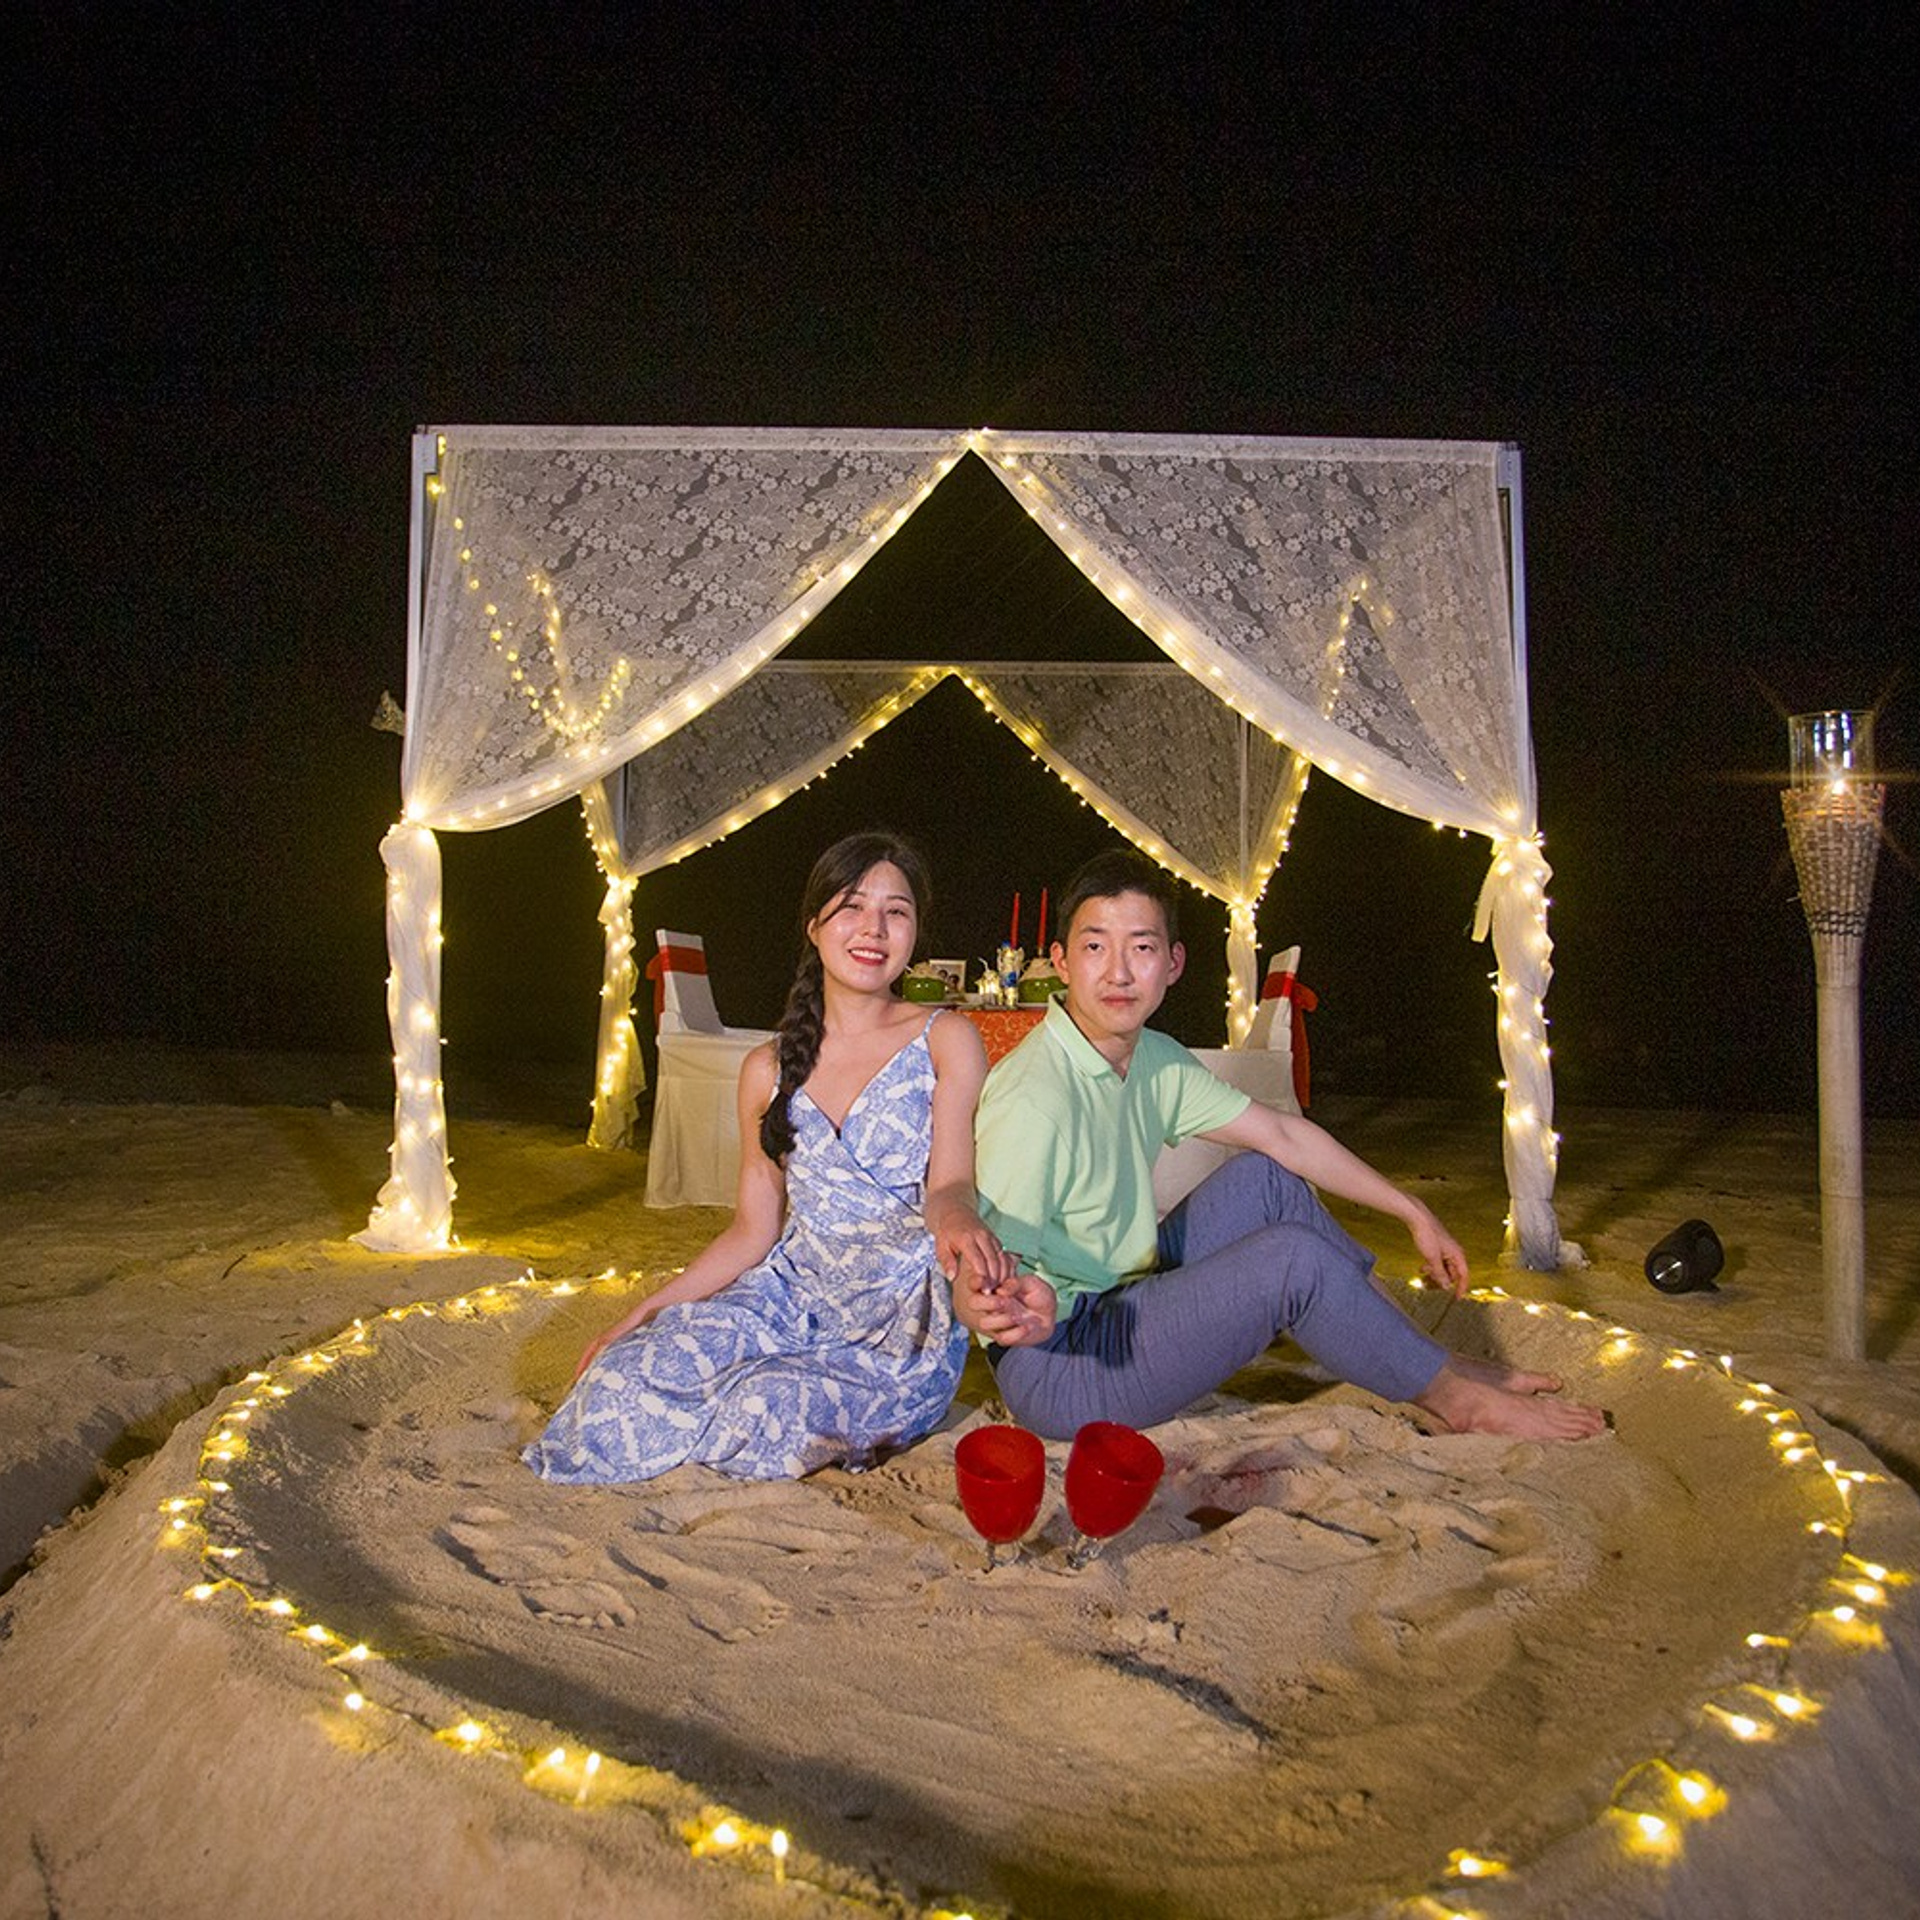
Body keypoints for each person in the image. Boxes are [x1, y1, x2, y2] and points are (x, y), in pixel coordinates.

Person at [959, 849, 1606, 1443]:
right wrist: (1003, 1299)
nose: (1119, 972)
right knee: (1292, 1261)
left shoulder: (1152, 1057)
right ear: (1061, 961)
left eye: (1142, 947)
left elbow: (1284, 1135)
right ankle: (1457, 1401)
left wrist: (1412, 1210)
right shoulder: (1033, 1094)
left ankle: (1428, 1362)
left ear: (1174, 963)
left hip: (1126, 1291)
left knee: (1267, 1180)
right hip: (1064, 1363)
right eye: (1096, 946)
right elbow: (985, 1271)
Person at [524, 832, 1052, 1484]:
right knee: (621, 1378)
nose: (874, 928)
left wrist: (959, 1223)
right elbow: (752, 1231)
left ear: (915, 932)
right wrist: (646, 1312)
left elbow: (949, 1187)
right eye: (852, 906)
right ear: (814, 925)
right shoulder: (766, 1069)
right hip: (786, 1297)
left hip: (894, 1327)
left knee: (763, 1407)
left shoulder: (945, 1039)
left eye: (896, 911)